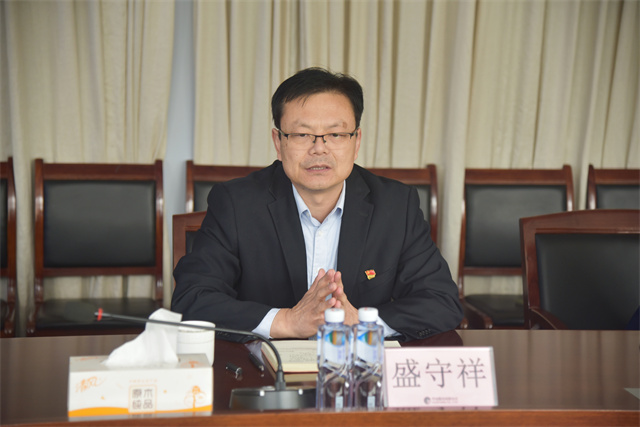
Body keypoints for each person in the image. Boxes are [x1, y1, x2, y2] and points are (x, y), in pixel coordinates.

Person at [172, 67, 463, 342]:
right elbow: (192, 299)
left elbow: (441, 302)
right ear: (278, 142)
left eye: (336, 134)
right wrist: (288, 321)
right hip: (265, 369)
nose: (319, 148)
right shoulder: (236, 203)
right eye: (302, 134)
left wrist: (361, 322)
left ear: (356, 141)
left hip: (356, 369)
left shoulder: (396, 206)